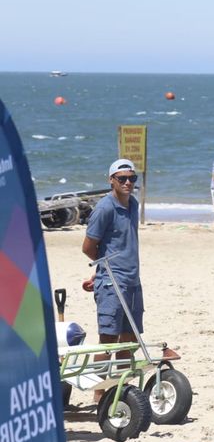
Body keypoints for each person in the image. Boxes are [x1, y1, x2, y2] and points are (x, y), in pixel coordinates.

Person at [82, 159, 144, 401]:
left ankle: (120, 390)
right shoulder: (104, 208)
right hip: (111, 282)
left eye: (132, 178)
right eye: (122, 178)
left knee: (130, 340)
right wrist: (102, 270)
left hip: (133, 280)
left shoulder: (134, 205)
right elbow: (88, 247)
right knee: (108, 341)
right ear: (111, 180)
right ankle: (99, 395)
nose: (128, 182)